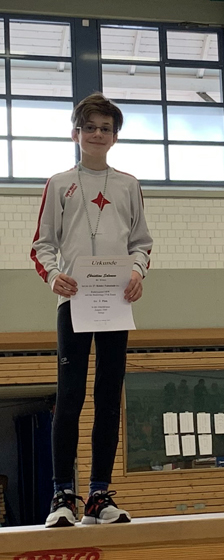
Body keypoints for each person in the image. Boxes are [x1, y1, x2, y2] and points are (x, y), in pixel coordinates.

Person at [31, 93, 153, 527]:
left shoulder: (128, 185)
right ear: (75, 134)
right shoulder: (59, 183)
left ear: (114, 137)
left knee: (108, 396)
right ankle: (62, 494)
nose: (97, 134)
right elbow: (42, 243)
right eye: (90, 127)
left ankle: (99, 494)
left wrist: (137, 272)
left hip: (116, 302)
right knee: (70, 396)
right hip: (74, 301)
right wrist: (53, 275)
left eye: (105, 128)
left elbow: (141, 243)